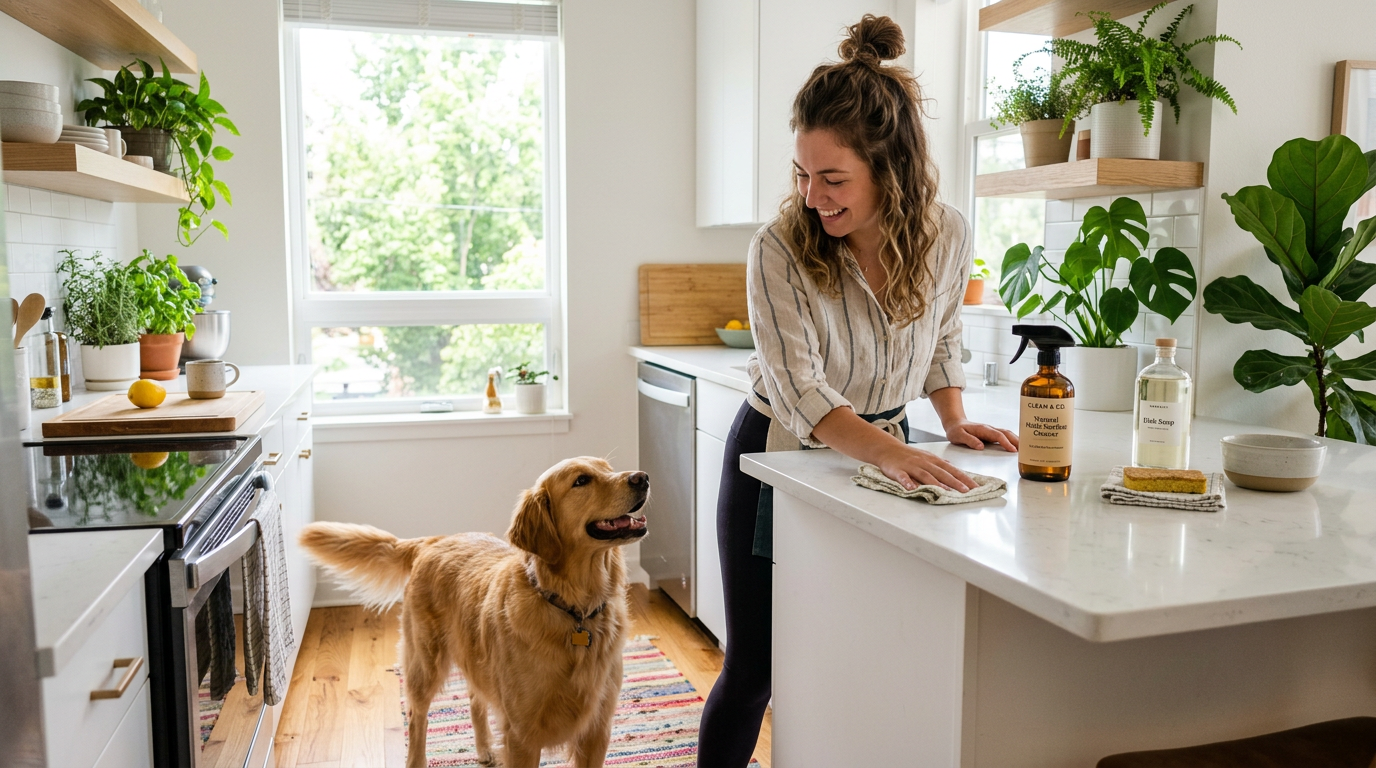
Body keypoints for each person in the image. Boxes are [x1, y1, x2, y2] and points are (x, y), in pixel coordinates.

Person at [696, 14, 1020, 767]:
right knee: (756, 670)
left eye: (832, 178)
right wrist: (891, 454)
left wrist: (954, 419)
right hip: (779, 456)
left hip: (885, 455)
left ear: (892, 167)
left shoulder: (949, 234)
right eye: (803, 175)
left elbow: (941, 335)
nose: (812, 196)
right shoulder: (778, 248)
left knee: (860, 659)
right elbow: (799, 389)